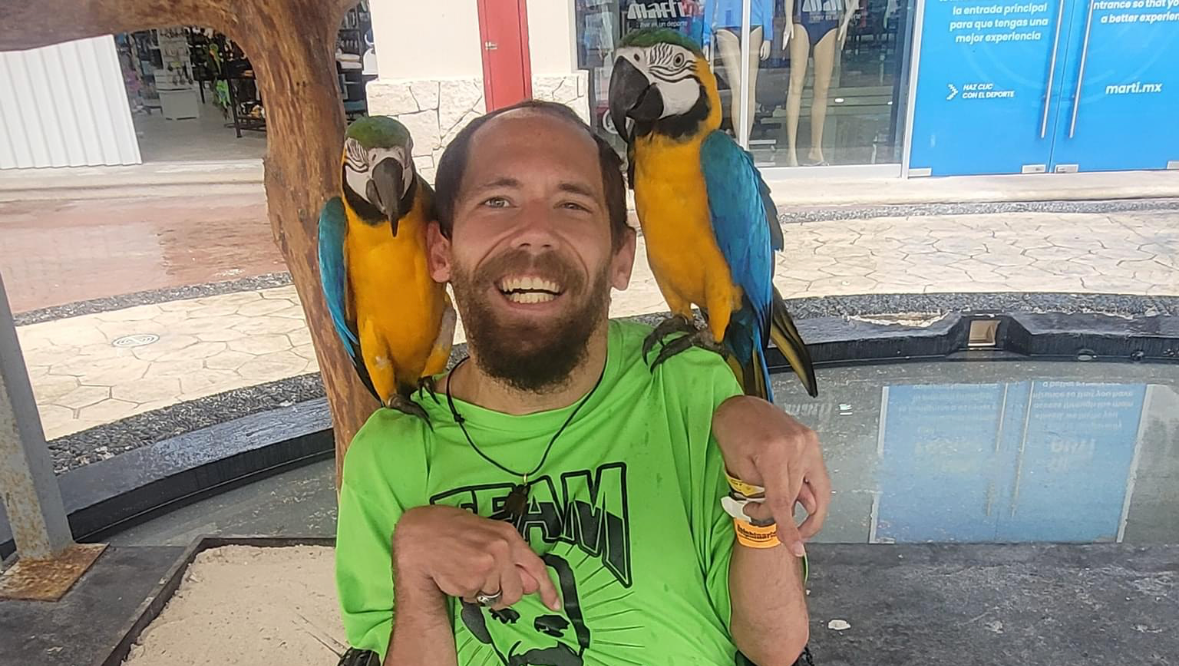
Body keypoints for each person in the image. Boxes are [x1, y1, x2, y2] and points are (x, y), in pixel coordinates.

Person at [335, 100, 831, 666]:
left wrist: (757, 484)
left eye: (571, 205)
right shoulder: (389, 455)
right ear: (441, 252)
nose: (534, 234)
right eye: (497, 202)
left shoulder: (688, 392)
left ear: (621, 258)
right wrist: (415, 567)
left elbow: (774, 647)